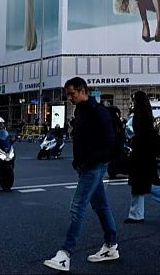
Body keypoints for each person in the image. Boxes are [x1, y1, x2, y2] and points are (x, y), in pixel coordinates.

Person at [44, 77, 118, 272]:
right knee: (101, 206)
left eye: (72, 93)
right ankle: (111, 245)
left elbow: (109, 143)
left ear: (82, 90)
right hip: (86, 166)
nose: (69, 98)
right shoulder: (81, 111)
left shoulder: (98, 112)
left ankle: (65, 254)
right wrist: (78, 162)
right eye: (68, 94)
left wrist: (90, 160)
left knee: (78, 207)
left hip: (93, 167)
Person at [124, 91, 160, 224]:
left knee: (138, 183)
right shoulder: (146, 114)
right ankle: (137, 213)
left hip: (140, 153)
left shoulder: (138, 115)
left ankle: (139, 212)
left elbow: (132, 133)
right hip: (146, 153)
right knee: (140, 182)